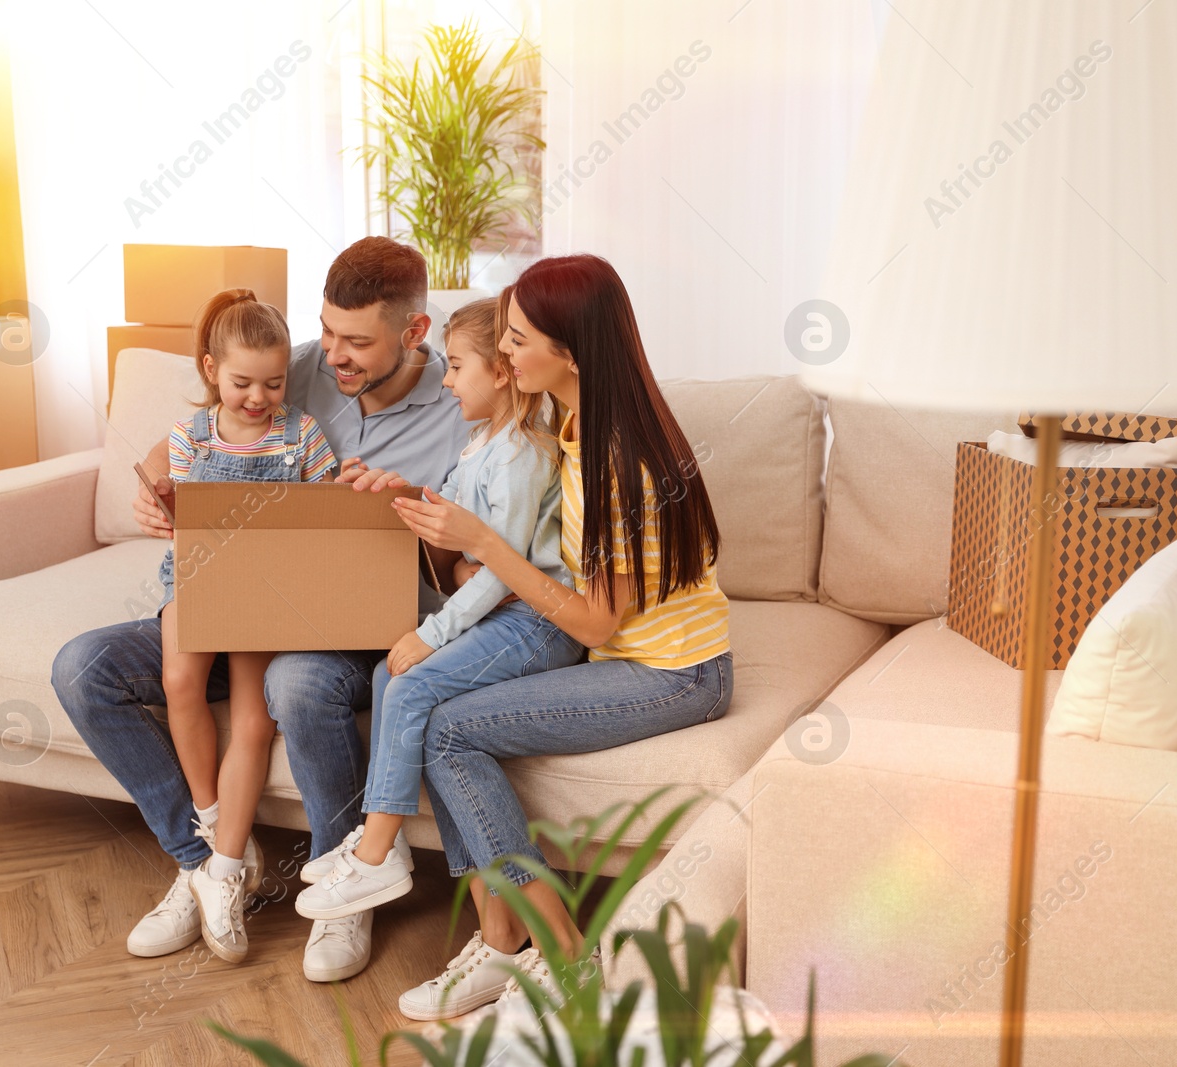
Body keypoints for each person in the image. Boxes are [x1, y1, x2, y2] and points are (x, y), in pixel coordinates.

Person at [51, 237, 470, 982]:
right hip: (232, 596)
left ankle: (345, 894)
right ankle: (208, 865)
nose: (333, 355)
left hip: (354, 619)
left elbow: (468, 561)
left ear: (414, 333)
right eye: (328, 330)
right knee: (83, 668)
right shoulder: (292, 367)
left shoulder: (462, 408)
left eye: (356, 341)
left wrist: (403, 503)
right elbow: (189, 438)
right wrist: (153, 491)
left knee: (295, 684)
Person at [383, 255, 735, 1019]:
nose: (503, 356)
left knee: (445, 732)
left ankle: (561, 954)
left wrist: (484, 540)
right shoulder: (578, 421)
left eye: (515, 341)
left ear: (568, 351)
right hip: (627, 654)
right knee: (433, 711)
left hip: (674, 672)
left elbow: (592, 619)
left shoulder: (620, 459)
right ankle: (504, 942)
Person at [291, 293, 585, 970]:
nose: (445, 379)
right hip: (504, 616)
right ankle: (496, 929)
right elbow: (456, 529)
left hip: (534, 621)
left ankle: (377, 847)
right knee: (387, 678)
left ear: (503, 373)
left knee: (409, 679)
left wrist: (433, 633)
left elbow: (502, 569)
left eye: (456, 366)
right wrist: (405, 496)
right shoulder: (483, 443)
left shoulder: (521, 455)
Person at [156, 289, 339, 964]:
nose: (258, 397)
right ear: (210, 369)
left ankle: (225, 864)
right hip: (200, 574)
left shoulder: (304, 434)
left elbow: (329, 519)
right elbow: (182, 525)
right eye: (242, 383)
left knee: (255, 712)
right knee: (179, 675)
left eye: (273, 382)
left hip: (267, 587)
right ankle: (211, 821)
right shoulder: (188, 437)